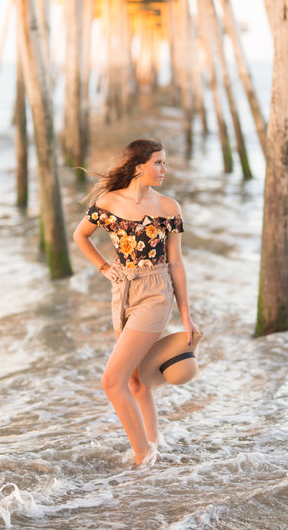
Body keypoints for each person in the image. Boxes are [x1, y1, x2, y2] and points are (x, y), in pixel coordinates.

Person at [73, 138, 201, 465]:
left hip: (156, 293)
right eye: (158, 162)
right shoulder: (109, 202)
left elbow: (176, 262)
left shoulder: (169, 207)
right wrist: (104, 267)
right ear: (138, 167)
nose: (164, 169)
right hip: (122, 292)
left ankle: (143, 457)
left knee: (111, 381)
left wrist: (185, 315)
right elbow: (80, 236)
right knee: (134, 380)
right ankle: (156, 445)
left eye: (164, 162)